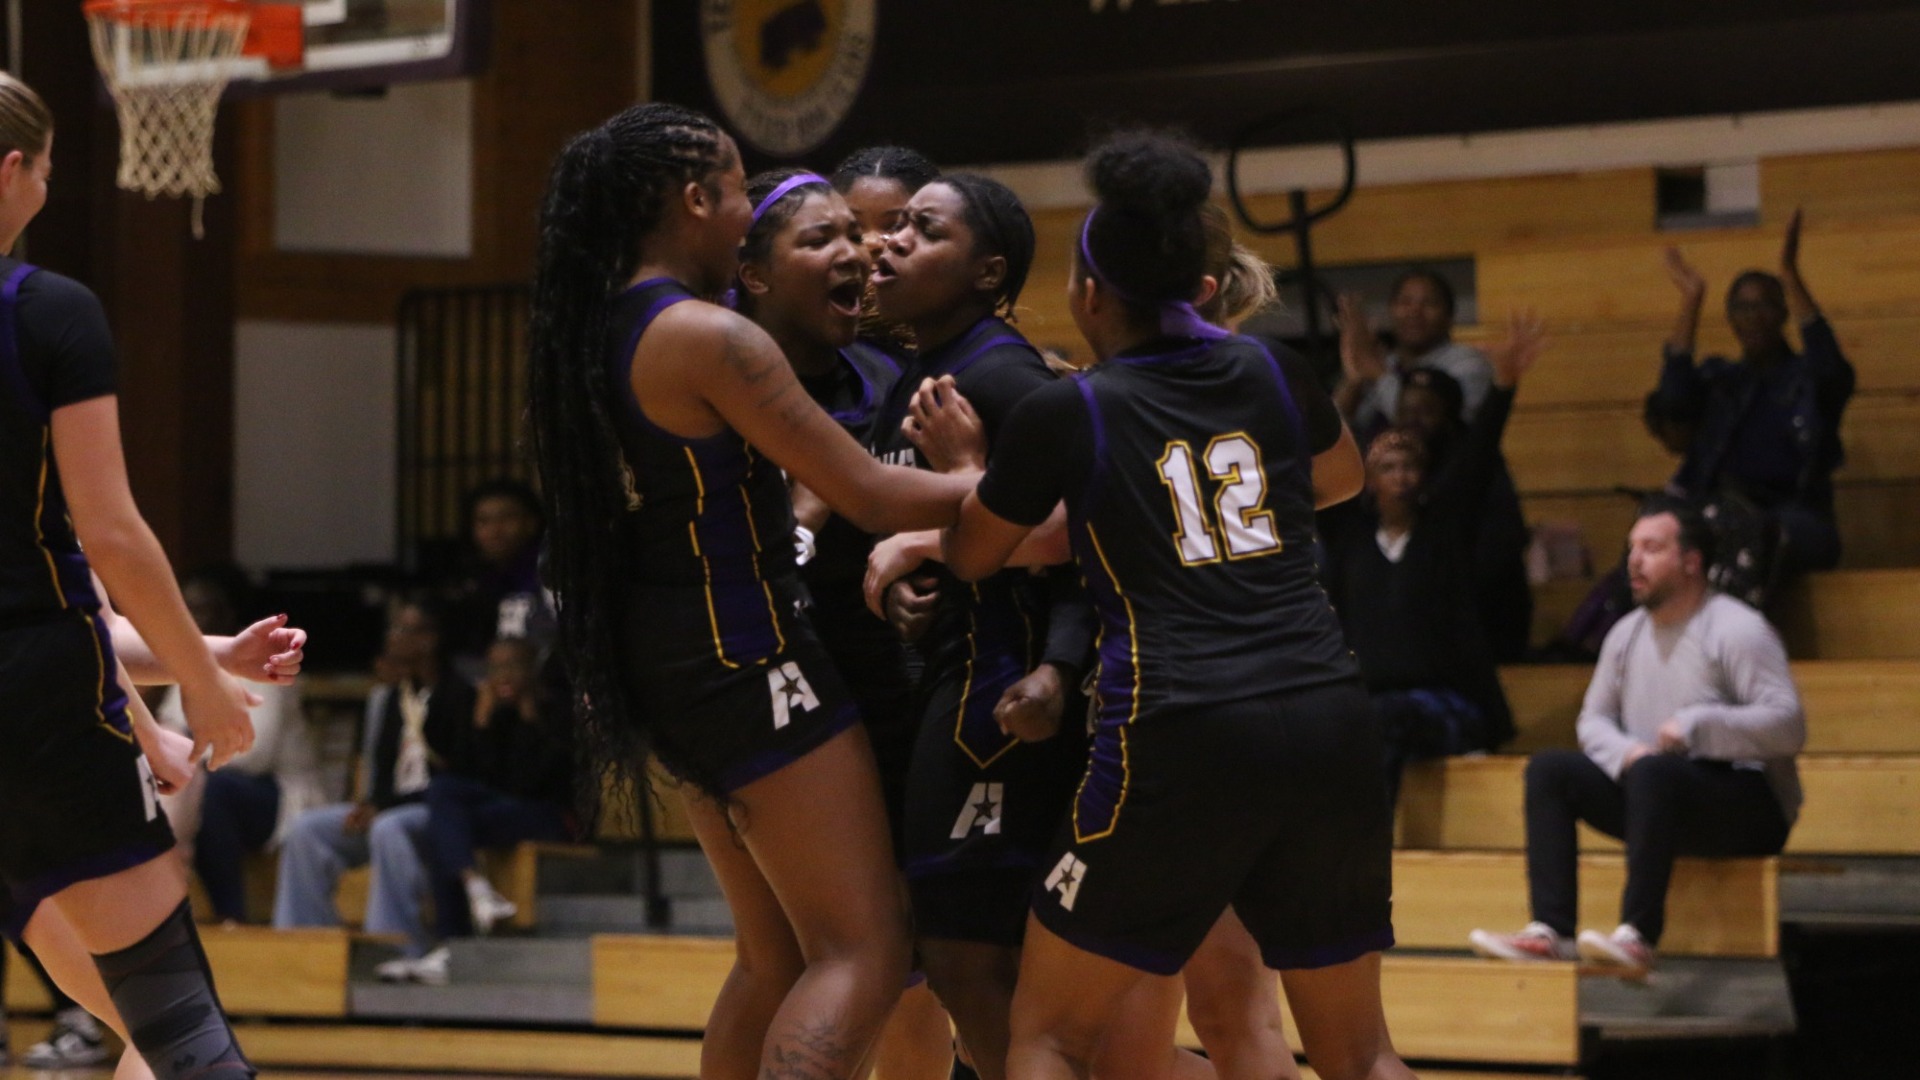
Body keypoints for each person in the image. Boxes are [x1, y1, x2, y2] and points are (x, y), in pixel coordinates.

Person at [911, 130, 1413, 1080]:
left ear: (1088, 295)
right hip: (1326, 712)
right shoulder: (1272, 371)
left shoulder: (1076, 407)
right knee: (1361, 1051)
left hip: (1179, 726)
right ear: (1207, 290)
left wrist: (971, 473)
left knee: (1049, 1035)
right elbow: (1340, 477)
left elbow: (976, 554)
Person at [525, 103, 976, 1080]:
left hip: (669, 666)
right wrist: (1017, 481)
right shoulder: (710, 337)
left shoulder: (598, 327)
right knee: (868, 948)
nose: (744, 208)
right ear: (696, 201)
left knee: (774, 959)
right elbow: (871, 487)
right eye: (736, 190)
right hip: (747, 656)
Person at [0, 70, 259, 1080]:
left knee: (123, 1023)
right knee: (176, 1028)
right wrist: (199, 689)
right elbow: (106, 535)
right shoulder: (48, 312)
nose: (50, 190)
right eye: (51, 168)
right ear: (11, 172)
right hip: (39, 704)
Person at [861, 171, 1093, 1080]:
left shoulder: (1006, 378)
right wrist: (903, 585)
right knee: (958, 962)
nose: (891, 243)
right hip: (952, 677)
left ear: (988, 272)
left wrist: (1061, 670)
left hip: (1007, 692)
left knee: (970, 961)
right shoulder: (909, 375)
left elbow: (1085, 544)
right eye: (894, 227)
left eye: (923, 229)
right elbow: (928, 534)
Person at [733, 165, 953, 1080]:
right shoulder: (724, 365)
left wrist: (911, 561)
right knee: (825, 954)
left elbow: (900, 505)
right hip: (757, 681)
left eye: (859, 237)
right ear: (750, 272)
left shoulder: (882, 371)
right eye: (821, 238)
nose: (857, 253)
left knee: (880, 959)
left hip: (869, 673)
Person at [1470, 498, 1806, 973]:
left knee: (1653, 773)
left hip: (1748, 806)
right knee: (1549, 769)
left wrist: (1697, 726)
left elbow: (1789, 725)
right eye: (1632, 548)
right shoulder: (1625, 634)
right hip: (1659, 793)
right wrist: (1627, 753)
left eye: (1651, 548)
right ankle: (1551, 931)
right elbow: (1591, 721)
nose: (1633, 560)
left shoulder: (1737, 629)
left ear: (1691, 562)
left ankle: (1638, 936)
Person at [1319, 318, 1545, 806]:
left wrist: (1504, 387)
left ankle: (1368, 847)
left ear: (1424, 475)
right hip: (1372, 703)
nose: (1400, 474)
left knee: (1381, 722)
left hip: (1451, 704)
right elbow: (1321, 458)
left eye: (1410, 465)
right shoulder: (1350, 538)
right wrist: (1356, 383)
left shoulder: (1444, 531)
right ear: (1369, 479)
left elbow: (1478, 456)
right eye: (1387, 466)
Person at [273, 596, 477, 969]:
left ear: (428, 640)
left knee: (388, 827)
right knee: (308, 829)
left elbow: (460, 775)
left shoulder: (460, 695)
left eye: (402, 629)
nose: (392, 637)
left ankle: (398, 946)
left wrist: (381, 806)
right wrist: (370, 802)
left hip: (437, 811)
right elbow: (382, 768)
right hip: (387, 805)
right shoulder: (391, 697)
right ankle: (307, 944)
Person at [1656, 211, 1854, 595]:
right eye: (1743, 308)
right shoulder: (1720, 380)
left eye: (1764, 305)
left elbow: (1832, 370)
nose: (1754, 317)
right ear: (1730, 317)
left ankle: (1734, 645)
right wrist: (1692, 300)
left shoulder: (1806, 379)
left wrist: (1791, 276)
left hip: (1797, 518)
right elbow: (1673, 403)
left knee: (1742, 535)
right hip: (1720, 511)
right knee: (1658, 533)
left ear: (1782, 314)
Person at [376, 637, 576, 984]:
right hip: (502, 812)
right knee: (444, 799)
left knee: (449, 826)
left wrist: (530, 721)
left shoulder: (555, 710)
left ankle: (453, 937)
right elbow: (470, 777)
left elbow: (530, 785)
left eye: (512, 665)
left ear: (530, 671)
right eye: (495, 667)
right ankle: (473, 894)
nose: (503, 676)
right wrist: (481, 725)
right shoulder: (489, 711)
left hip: (549, 815)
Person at [154, 565, 326, 924]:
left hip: (278, 795)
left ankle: (231, 916)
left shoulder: (262, 661)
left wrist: (191, 750)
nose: (192, 618)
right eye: (186, 608)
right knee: (177, 786)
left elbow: (252, 755)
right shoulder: (186, 667)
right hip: (209, 784)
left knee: (211, 790)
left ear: (227, 614)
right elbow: (166, 737)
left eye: (202, 609)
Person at [1389, 367, 1533, 663]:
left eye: (1426, 411)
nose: (1413, 421)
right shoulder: (1394, 466)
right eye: (1405, 411)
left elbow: (1504, 541)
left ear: (1449, 415)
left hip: (1482, 615)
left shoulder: (1476, 464)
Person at [1334, 269, 1495, 438]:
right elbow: (1331, 433)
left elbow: (1429, 430)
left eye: (1429, 303)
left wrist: (1378, 374)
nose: (1414, 312)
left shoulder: (1470, 364)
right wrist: (1354, 379)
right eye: (1405, 302)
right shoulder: (1386, 362)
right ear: (1391, 310)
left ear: (1449, 316)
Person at [441, 478, 551, 671]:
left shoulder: (549, 574)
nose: (495, 530)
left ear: (532, 522)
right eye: (484, 521)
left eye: (507, 518)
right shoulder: (470, 582)